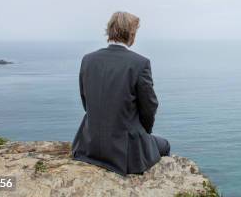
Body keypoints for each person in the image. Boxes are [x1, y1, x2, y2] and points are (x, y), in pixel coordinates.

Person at [72, 11, 170, 175]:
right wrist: (144, 132)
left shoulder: (88, 59)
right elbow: (149, 106)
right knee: (164, 144)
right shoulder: (140, 63)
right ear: (132, 34)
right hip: (123, 153)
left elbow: (86, 102)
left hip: (88, 146)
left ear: (109, 31)